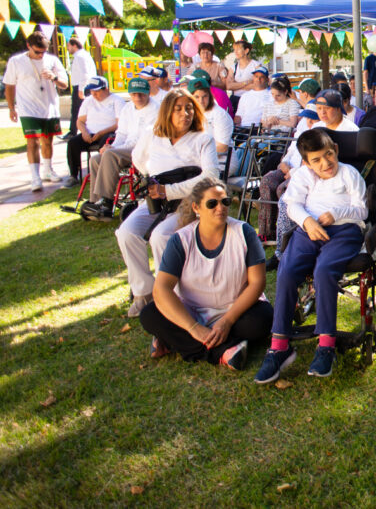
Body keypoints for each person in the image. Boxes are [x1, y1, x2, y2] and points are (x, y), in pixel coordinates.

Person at [255, 128, 369, 382]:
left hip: (344, 230)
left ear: (335, 150)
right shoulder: (303, 176)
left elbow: (362, 210)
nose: (325, 163)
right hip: (308, 229)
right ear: (306, 163)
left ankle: (326, 344)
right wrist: (307, 221)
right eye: (316, 160)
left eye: (328, 155)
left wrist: (336, 214)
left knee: (324, 270)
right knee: (286, 271)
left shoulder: (349, 174)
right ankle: (279, 346)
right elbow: (292, 204)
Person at [141, 178, 272, 369]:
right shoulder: (181, 240)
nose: (221, 208)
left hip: (235, 310)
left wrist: (227, 321)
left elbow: (257, 283)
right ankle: (223, 353)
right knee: (149, 315)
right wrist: (194, 328)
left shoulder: (244, 232)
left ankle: (174, 341)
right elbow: (161, 289)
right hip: (192, 312)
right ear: (196, 207)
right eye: (212, 204)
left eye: (225, 201)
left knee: (263, 320)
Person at [117, 90, 220, 317]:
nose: (185, 114)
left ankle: (172, 296)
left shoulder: (203, 139)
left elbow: (212, 176)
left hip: (189, 202)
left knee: (161, 236)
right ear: (167, 112)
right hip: (157, 201)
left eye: (189, 108)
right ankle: (144, 292)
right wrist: (154, 181)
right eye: (178, 109)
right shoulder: (152, 136)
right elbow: (138, 159)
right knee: (126, 232)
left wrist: (170, 190)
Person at [264, 90, 360, 270]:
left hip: (337, 183)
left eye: (326, 108)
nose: (322, 112)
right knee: (286, 201)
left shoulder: (352, 131)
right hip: (310, 177)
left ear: (338, 108)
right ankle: (282, 252)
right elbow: (305, 157)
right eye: (319, 108)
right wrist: (296, 173)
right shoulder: (317, 128)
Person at [81, 78, 160, 221]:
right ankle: (95, 201)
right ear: (130, 94)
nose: (138, 98)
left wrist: (114, 149)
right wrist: (112, 146)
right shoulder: (128, 108)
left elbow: (143, 139)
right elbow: (122, 133)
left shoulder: (155, 110)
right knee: (96, 159)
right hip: (126, 147)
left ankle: (106, 202)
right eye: (134, 94)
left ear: (148, 93)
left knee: (110, 155)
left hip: (144, 150)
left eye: (141, 94)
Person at [3, 32, 69, 191]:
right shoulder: (16, 61)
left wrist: (53, 77)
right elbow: (9, 86)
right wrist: (11, 108)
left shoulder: (52, 60)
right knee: (32, 141)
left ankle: (48, 169)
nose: (41, 55)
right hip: (28, 108)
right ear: (28, 46)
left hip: (49, 107)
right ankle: (35, 177)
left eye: (43, 52)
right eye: (37, 52)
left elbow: (65, 84)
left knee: (48, 140)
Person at [61, 75, 125, 186]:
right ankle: (73, 175)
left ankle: (104, 173)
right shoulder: (88, 101)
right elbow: (80, 121)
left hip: (108, 133)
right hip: (89, 133)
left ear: (106, 89)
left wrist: (100, 133)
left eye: (97, 91)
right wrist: (84, 132)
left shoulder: (117, 100)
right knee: (72, 143)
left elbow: (119, 124)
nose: (94, 94)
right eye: (92, 91)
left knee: (106, 142)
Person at [189, 77, 233, 154]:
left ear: (210, 96)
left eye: (204, 96)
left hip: (219, 159)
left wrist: (195, 153)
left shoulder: (219, 114)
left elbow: (222, 148)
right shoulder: (189, 113)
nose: (201, 101)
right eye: (197, 97)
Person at [65, 38, 97, 139]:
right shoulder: (84, 55)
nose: (67, 48)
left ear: (74, 45)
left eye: (69, 46)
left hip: (82, 86)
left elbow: (85, 73)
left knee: (76, 110)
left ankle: (73, 132)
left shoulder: (80, 56)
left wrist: (81, 89)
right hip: (85, 85)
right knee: (82, 110)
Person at [224, 41, 260, 111]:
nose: (235, 52)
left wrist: (236, 85)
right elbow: (229, 86)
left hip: (251, 100)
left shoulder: (256, 65)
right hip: (236, 100)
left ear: (246, 51)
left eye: (238, 49)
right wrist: (247, 82)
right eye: (234, 49)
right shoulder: (233, 67)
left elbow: (258, 85)